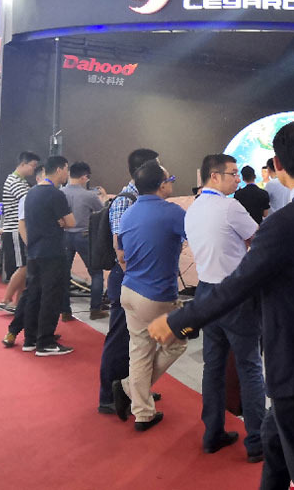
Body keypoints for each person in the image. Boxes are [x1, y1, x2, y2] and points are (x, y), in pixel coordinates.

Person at [148, 121, 294, 489]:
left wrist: (179, 321)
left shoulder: (283, 223)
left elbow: (238, 284)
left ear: (277, 164)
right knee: (276, 441)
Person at [185, 154, 265, 461]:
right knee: (250, 366)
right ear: (215, 176)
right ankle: (257, 442)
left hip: (206, 292)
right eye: (233, 174)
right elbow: (258, 240)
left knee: (214, 367)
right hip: (235, 294)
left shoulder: (193, 209)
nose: (237, 179)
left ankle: (212, 434)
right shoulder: (230, 207)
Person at [111, 161, 187, 431]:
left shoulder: (128, 213)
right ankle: (129, 389)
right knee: (176, 344)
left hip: (130, 290)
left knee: (140, 351)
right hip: (157, 295)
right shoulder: (172, 212)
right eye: (170, 179)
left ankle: (143, 412)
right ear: (161, 185)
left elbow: (122, 251)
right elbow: (196, 236)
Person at [97, 147, 159, 415]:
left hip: (137, 277)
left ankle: (134, 389)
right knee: (120, 338)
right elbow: (120, 248)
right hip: (128, 276)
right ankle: (108, 397)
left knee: (139, 341)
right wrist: (134, 276)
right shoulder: (126, 200)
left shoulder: (141, 197)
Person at [21, 156, 76, 356]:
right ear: (59, 169)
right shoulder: (55, 194)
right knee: (51, 296)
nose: (67, 173)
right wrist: (61, 222)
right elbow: (71, 222)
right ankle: (45, 342)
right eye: (66, 169)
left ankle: (30, 339)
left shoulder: (31, 193)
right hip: (52, 252)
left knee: (34, 295)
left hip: (34, 251)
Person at [61, 161, 108, 320]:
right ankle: (95, 309)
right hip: (84, 236)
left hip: (64, 236)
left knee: (64, 274)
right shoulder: (89, 195)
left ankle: (65, 311)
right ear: (84, 177)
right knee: (96, 272)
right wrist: (104, 197)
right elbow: (102, 212)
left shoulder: (60, 193)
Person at [0, 151, 40, 313]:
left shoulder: (20, 181)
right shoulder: (15, 182)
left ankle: (17, 303)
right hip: (15, 229)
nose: (33, 170)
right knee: (23, 266)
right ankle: (6, 299)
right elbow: (31, 202)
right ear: (23, 164)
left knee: (24, 267)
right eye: (32, 166)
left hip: (16, 229)